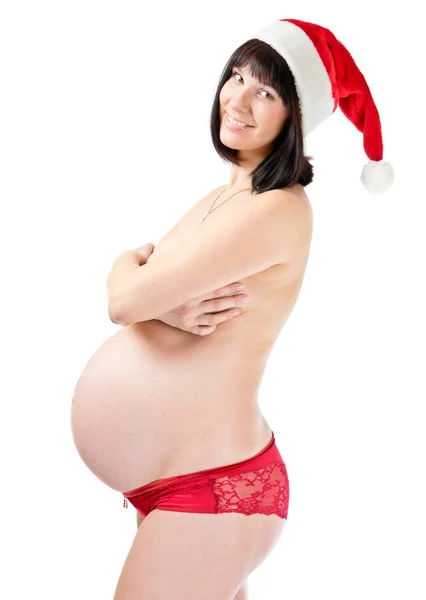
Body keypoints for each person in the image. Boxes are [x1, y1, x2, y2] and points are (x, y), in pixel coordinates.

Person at [74, 18, 393, 600]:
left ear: (294, 118)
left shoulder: (277, 210)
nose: (239, 99)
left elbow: (124, 297)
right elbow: (136, 279)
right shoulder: (224, 197)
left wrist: (143, 291)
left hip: (215, 489)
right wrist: (158, 301)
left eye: (265, 91)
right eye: (237, 77)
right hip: (184, 481)